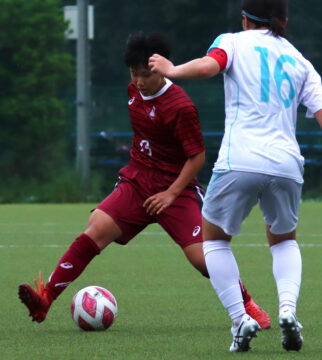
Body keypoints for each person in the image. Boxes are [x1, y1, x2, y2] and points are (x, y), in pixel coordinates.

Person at [18, 33, 270, 329]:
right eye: (134, 74)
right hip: (137, 181)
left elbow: (197, 158)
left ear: (162, 68)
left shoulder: (181, 107)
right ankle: (45, 299)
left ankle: (246, 303)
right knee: (95, 228)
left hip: (177, 189)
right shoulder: (133, 91)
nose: (139, 81)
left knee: (204, 259)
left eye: (146, 74)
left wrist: (170, 194)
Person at [149, 0, 322, 352]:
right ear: (284, 21)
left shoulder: (232, 41)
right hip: (287, 164)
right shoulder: (300, 61)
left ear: (244, 19)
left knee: (213, 240)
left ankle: (240, 319)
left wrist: (173, 70)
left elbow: (210, 66)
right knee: (285, 240)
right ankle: (288, 310)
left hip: (239, 159)